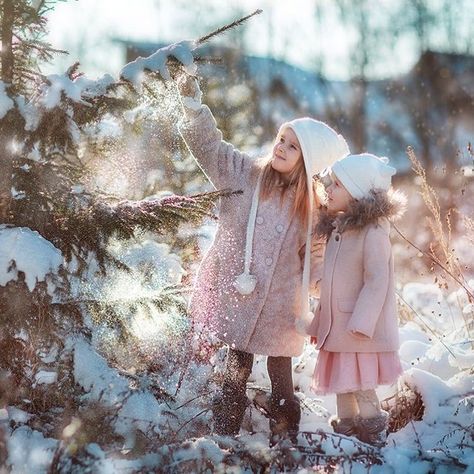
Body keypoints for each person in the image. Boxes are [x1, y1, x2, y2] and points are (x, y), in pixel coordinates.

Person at [174, 70, 350, 442]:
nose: (281, 147)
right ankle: (223, 438)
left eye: (292, 146)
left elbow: (316, 254)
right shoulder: (245, 175)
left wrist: (322, 285)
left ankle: (285, 440)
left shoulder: (311, 208)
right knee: (233, 374)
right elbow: (211, 149)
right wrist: (193, 109)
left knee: (281, 379)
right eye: (281, 139)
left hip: (282, 308)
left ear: (307, 160)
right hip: (240, 296)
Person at [308, 153, 405, 447]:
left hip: (358, 329)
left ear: (357, 191)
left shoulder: (372, 233)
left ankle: (373, 436)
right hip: (339, 328)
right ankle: (346, 436)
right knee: (342, 384)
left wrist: (362, 321)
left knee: (361, 385)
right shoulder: (339, 229)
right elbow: (334, 285)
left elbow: (377, 281)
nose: (330, 190)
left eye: (337, 184)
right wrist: (319, 322)